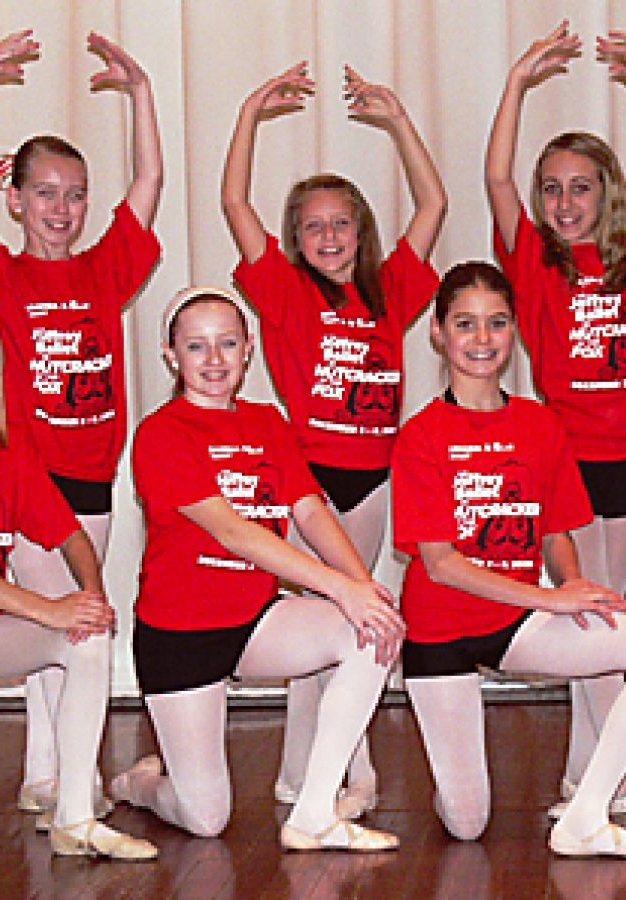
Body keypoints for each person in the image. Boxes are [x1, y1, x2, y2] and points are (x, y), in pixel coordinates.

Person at [391, 261, 626, 859]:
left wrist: (577, 582)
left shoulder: (539, 423)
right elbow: (440, 564)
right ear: (437, 332)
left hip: (514, 622)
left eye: (497, 323)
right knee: (467, 823)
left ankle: (586, 814)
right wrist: (551, 598)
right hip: (441, 634)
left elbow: (558, 529)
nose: (482, 340)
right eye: (466, 324)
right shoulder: (423, 434)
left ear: (515, 333)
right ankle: (452, 776)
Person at [485, 21, 626, 816]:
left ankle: (591, 774)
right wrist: (515, 84)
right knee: (596, 615)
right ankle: (598, 778)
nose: (564, 202)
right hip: (568, 462)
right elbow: (497, 182)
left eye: (580, 186)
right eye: (553, 188)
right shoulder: (535, 262)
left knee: (603, 614)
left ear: (604, 192)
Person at [0, 29, 162, 818]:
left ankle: (59, 768)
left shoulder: (105, 267)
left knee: (73, 627)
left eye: (74, 193)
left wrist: (141, 92)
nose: (61, 209)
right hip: (28, 480)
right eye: (45, 192)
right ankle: (47, 774)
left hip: (93, 481)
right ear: (17, 199)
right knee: (49, 627)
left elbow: (148, 179)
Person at [222, 62, 445, 817]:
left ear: (360, 232)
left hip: (373, 480)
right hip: (308, 484)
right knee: (326, 623)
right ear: (296, 239)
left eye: (340, 223)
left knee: (357, 616)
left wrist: (398, 121)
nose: (327, 236)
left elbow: (435, 202)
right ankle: (332, 770)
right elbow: (233, 201)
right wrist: (252, 109)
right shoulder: (286, 294)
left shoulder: (388, 291)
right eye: (312, 226)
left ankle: (315, 771)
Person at [109, 287, 405, 851]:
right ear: (171, 355)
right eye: (197, 347)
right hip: (182, 634)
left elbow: (310, 510)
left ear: (248, 350)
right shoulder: (160, 433)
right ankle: (142, 783)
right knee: (205, 817)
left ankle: (315, 812)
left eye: (227, 344)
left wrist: (363, 588)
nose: (214, 360)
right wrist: (339, 586)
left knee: (373, 627)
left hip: (255, 620)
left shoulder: (268, 424)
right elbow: (233, 531)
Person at [0, 285, 155, 860]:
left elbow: (68, 533)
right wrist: (42, 606)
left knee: (84, 639)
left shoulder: (5, 447)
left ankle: (74, 817)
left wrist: (90, 595)